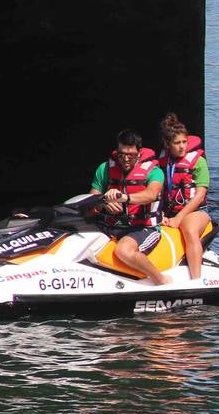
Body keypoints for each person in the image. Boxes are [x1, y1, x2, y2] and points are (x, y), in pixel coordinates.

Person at [89, 129, 169, 286]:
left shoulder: (155, 172)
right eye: (121, 154)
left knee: (123, 250)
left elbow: (151, 194)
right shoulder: (104, 169)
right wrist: (103, 201)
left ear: (139, 152)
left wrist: (124, 198)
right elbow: (90, 203)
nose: (125, 159)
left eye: (130, 155)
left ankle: (162, 281)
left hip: (143, 228)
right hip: (109, 225)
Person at [157, 112, 211, 280]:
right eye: (177, 143)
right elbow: (156, 192)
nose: (182, 146)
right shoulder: (161, 162)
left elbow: (200, 194)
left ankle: (196, 280)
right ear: (167, 144)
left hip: (195, 212)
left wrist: (179, 217)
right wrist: (161, 215)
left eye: (184, 142)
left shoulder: (198, 162)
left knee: (189, 229)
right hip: (169, 212)